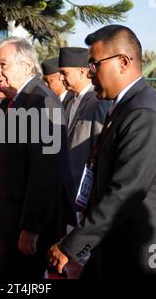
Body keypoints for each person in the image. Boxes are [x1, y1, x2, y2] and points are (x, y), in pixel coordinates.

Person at [48, 24, 156, 278]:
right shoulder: (125, 106)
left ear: (123, 62)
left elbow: (125, 193)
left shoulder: (144, 113)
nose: (90, 74)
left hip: (149, 252)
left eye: (94, 64)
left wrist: (73, 244)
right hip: (120, 243)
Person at [0, 37, 76, 279]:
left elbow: (45, 173)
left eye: (3, 65)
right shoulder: (14, 100)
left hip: (22, 224)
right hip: (5, 217)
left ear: (27, 66)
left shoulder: (42, 102)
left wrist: (31, 228)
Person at [58, 47, 110, 202]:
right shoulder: (70, 102)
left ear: (82, 72)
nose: (61, 78)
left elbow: (99, 153)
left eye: (64, 73)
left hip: (83, 195)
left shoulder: (98, 102)